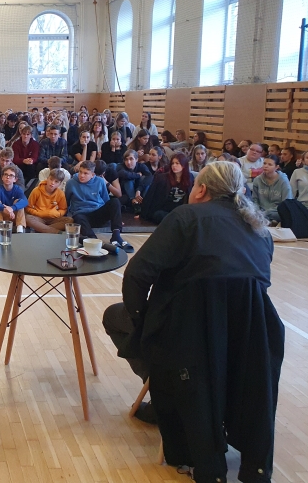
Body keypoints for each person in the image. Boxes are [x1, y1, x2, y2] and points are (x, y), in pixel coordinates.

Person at [102, 162, 283, 482]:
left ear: (201, 190)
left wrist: (143, 321)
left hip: (187, 336)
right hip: (250, 341)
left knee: (115, 317)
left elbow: (137, 275)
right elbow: (260, 284)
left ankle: (164, 390)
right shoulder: (258, 227)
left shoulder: (185, 217)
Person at [64, 161, 132, 251]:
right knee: (78, 217)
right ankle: (94, 240)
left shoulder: (100, 181)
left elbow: (106, 200)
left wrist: (115, 217)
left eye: (85, 173)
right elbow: (66, 201)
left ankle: (116, 236)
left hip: (98, 213)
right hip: (81, 214)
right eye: (80, 172)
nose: (82, 175)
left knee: (115, 201)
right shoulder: (71, 183)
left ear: (92, 175)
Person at [140, 153, 193, 224]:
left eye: (177, 163)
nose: (174, 166)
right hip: (165, 209)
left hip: (180, 209)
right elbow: (150, 196)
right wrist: (143, 214)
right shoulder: (162, 178)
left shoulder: (190, 177)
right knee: (158, 215)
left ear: (184, 165)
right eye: (172, 163)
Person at [25, 168, 72, 233]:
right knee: (28, 218)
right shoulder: (36, 191)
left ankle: (41, 229)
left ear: (59, 184)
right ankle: (56, 232)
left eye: (56, 181)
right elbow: (28, 207)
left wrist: (57, 214)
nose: (52, 183)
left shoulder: (60, 193)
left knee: (69, 220)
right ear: (47, 178)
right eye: (51, 179)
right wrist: (38, 213)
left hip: (53, 218)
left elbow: (63, 209)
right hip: (39, 218)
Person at [252, 156, 292, 223]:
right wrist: (257, 211)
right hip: (260, 212)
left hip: (277, 212)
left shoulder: (283, 180)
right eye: (264, 163)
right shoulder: (257, 180)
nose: (266, 166)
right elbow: (255, 199)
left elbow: (287, 201)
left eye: (270, 164)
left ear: (276, 167)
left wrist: (266, 213)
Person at [0, 166, 28, 232]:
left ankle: (20, 228)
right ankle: (0, 227)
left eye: (11, 175)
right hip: (3, 216)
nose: (8, 177)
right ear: (2, 177)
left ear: (15, 179)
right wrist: (3, 208)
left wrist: (12, 208)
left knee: (18, 201)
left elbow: (25, 201)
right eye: (5, 174)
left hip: (14, 216)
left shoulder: (17, 189)